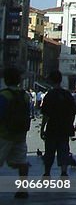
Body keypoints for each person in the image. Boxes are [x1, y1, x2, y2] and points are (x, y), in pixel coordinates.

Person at [0, 67, 31, 198]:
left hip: (4, 134)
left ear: (6, 80)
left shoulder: (3, 95)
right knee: (22, 162)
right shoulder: (25, 95)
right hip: (20, 134)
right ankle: (23, 189)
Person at [40, 71, 76, 178]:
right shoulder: (67, 94)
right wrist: (70, 125)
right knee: (64, 149)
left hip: (52, 127)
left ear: (51, 81)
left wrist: (42, 129)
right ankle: (64, 172)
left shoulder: (49, 95)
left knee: (49, 150)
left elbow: (46, 115)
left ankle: (47, 172)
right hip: (64, 127)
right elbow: (73, 112)